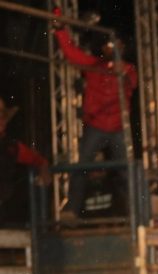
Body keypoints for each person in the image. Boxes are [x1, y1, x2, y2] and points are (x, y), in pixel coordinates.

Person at [52, 8, 137, 219]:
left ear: (122, 47)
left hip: (117, 127)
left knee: (125, 170)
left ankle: (135, 212)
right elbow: (71, 53)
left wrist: (120, 71)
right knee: (82, 165)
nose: (112, 48)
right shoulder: (93, 65)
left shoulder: (128, 69)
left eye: (116, 45)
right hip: (96, 125)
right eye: (109, 45)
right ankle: (72, 209)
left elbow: (131, 82)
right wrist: (60, 29)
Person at [0, 98, 50, 226]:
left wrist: (43, 167)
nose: (3, 122)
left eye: (3, 118)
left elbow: (38, 160)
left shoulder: (11, 147)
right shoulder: (11, 147)